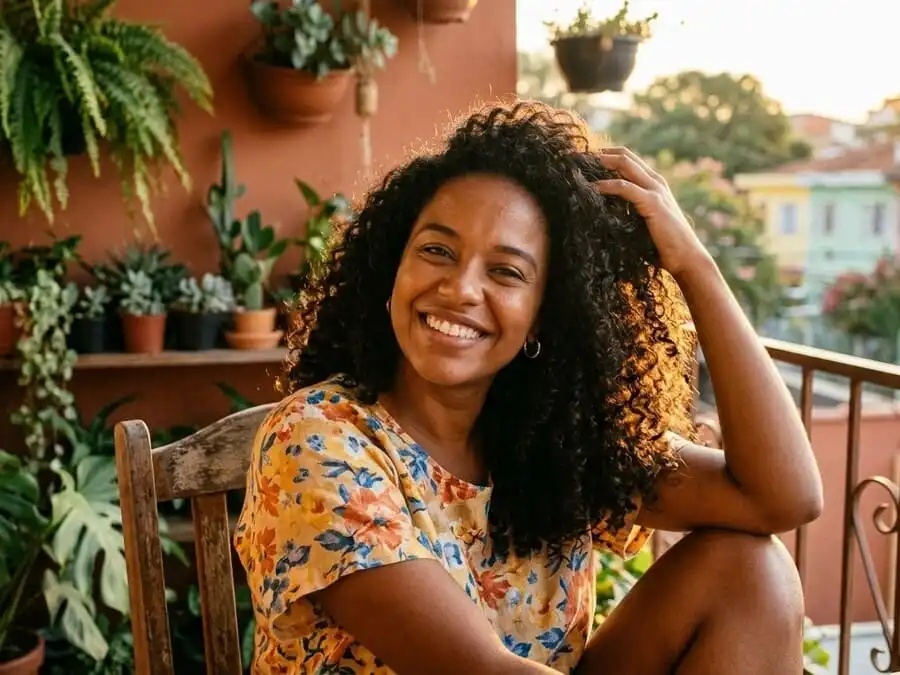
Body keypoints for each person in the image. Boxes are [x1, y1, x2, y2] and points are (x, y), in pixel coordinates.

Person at [234, 101, 823, 675]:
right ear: (393, 270)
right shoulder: (316, 440)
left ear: (543, 315)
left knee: (750, 570)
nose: (461, 289)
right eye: (436, 251)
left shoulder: (548, 439)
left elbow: (780, 498)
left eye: (506, 271)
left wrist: (695, 265)